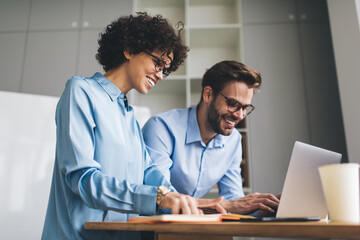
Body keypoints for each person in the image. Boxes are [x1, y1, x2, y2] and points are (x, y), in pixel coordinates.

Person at [41, 13, 225, 240]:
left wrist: (187, 202)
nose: (160, 75)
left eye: (165, 70)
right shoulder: (80, 92)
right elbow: (83, 178)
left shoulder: (129, 115)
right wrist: (159, 197)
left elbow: (149, 173)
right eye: (157, 63)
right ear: (129, 49)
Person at [142, 60, 280, 217]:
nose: (239, 115)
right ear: (208, 94)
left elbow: (234, 201)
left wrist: (262, 208)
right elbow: (163, 199)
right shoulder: (161, 128)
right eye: (233, 103)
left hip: (193, 229)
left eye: (245, 108)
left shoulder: (233, 140)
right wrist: (224, 205)